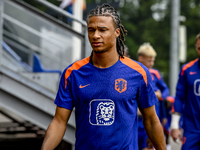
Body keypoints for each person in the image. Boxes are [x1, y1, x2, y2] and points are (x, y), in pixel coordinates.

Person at [41, 4, 166, 150]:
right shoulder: (72, 73)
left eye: (102, 30)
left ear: (116, 32)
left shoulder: (139, 73)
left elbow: (151, 120)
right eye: (91, 30)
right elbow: (59, 122)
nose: (95, 35)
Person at [137, 43, 170, 150]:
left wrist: (160, 95)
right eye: (149, 60)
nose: (152, 63)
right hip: (138, 118)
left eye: (153, 60)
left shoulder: (155, 73)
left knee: (151, 144)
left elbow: (165, 90)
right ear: (140, 58)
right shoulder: (133, 71)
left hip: (155, 115)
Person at [170, 33, 200, 150]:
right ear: (196, 48)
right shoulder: (187, 70)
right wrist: (174, 125)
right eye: (199, 48)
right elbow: (179, 98)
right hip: (191, 129)